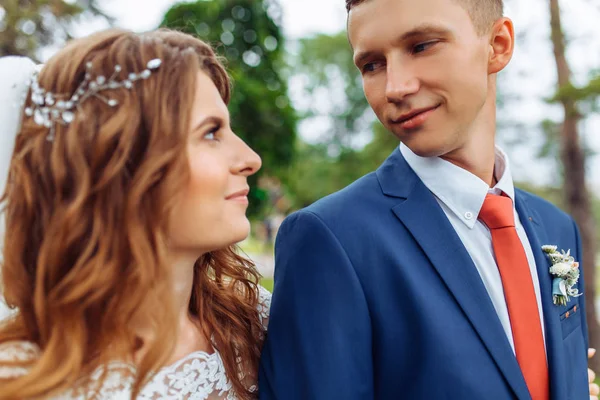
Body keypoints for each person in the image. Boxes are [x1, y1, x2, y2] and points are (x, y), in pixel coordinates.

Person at [259, 0, 595, 399]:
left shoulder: (556, 228)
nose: (395, 87)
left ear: (498, 44)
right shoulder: (331, 241)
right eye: (371, 65)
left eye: (421, 46)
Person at [0, 28, 269, 399]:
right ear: (120, 167)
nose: (250, 159)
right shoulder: (22, 378)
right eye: (211, 133)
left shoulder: (255, 321)